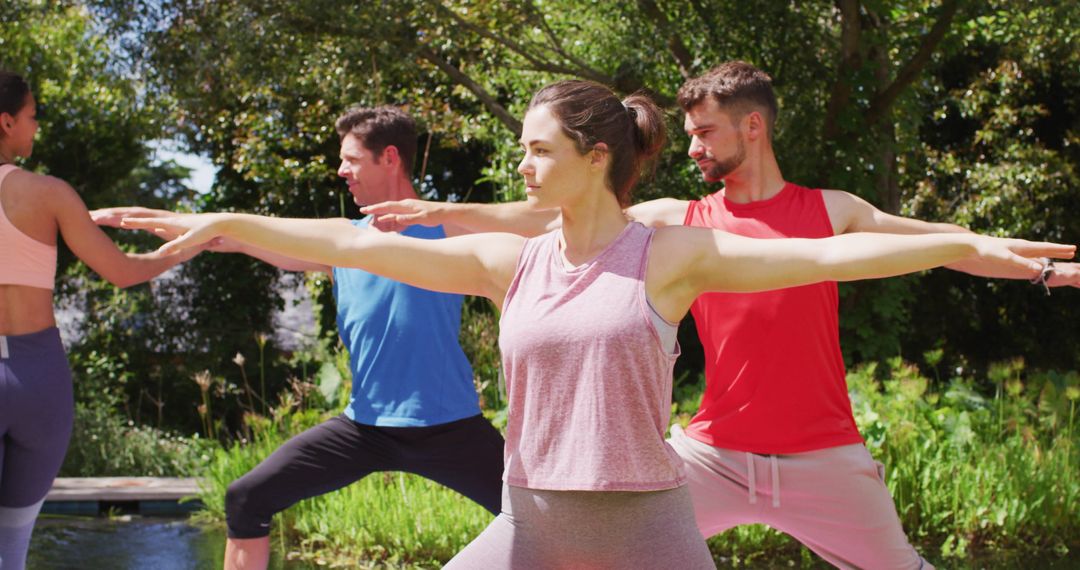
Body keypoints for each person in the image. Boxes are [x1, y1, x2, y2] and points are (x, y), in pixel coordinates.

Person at [121, 79, 1072, 569]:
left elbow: (837, 258)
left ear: (593, 157)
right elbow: (347, 240)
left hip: (649, 528)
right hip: (531, 525)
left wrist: (1000, 253)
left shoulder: (672, 253)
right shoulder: (508, 262)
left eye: (537, 151)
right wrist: (224, 221)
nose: (522, 166)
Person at [95, 106, 505, 570]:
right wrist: (167, 220)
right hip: (365, 429)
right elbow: (237, 236)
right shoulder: (341, 241)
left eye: (352, 159)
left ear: (390, 158)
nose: (341, 170)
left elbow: (536, 224)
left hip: (450, 427)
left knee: (541, 517)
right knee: (246, 497)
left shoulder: (450, 228)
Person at [0, 71, 201, 570]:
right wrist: (180, 251)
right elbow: (122, 272)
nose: (36, 127)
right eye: (32, 116)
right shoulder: (48, 193)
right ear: (6, 122)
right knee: (12, 549)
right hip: (38, 376)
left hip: (34, 374)